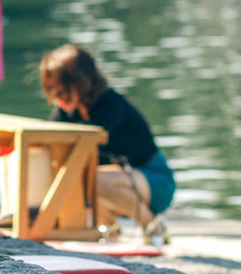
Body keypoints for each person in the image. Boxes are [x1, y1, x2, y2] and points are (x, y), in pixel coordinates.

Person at [40, 44, 175, 247]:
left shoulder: (111, 106)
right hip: (120, 182)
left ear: (80, 83)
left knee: (86, 177)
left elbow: (84, 148)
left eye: (60, 89)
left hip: (154, 180)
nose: (56, 96)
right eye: (51, 89)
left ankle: (153, 225)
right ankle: (109, 228)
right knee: (75, 175)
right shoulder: (66, 111)